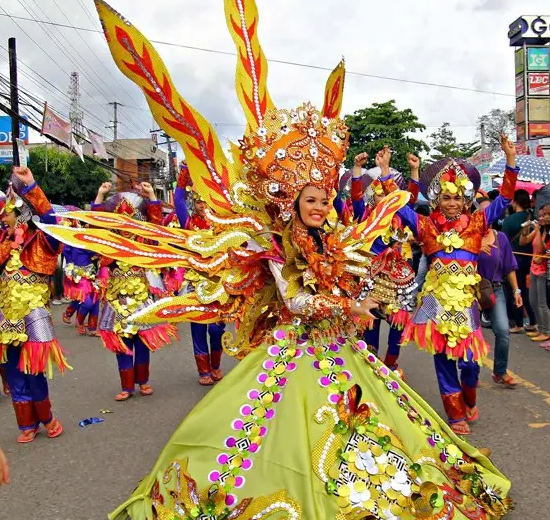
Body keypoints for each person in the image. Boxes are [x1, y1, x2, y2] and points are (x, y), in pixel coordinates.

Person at [47, 3, 512, 518]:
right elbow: (294, 298)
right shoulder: (273, 245)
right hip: (296, 350)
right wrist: (347, 306)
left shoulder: (332, 241)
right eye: (310, 200)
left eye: (323, 200)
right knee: (266, 443)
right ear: (292, 204)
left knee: (383, 428)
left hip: (340, 348)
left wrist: (371, 290)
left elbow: (352, 282)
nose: (319, 207)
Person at [397, 137, 519, 435]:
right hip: (433, 301)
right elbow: (399, 206)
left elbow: (503, 200)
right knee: (441, 357)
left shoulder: (478, 223)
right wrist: (408, 175)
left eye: (457, 199)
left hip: (466, 301)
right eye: (445, 198)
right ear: (437, 200)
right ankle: (454, 416)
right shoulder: (425, 226)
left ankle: (470, 396)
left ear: (465, 201)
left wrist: (510, 159)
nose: (451, 204)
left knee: (471, 362)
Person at [0, 166, 67, 443]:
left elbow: (49, 218)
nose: (3, 218)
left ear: (21, 213)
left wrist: (31, 186)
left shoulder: (41, 241)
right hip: (5, 316)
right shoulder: (0, 242)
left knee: (34, 370)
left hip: (34, 314)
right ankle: (26, 424)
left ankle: (46, 418)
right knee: (13, 371)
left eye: (7, 213)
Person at [91, 181, 179, 401]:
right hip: (116, 297)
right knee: (122, 341)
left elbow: (156, 224)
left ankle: (143, 382)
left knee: (141, 340)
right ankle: (126, 386)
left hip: (140, 295)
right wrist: (100, 195)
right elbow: (95, 226)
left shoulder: (143, 241)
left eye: (130, 218)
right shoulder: (110, 242)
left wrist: (151, 196)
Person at [348, 150, 419, 372]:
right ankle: (371, 365)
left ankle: (391, 363)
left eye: (387, 195)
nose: (383, 199)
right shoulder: (366, 216)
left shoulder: (400, 218)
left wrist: (415, 170)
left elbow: (411, 200)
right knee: (371, 321)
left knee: (398, 322)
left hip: (397, 276)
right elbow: (356, 197)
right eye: (378, 194)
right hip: (371, 274)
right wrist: (357, 169)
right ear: (373, 197)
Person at [174, 163, 225, 386]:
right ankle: (203, 371)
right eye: (197, 201)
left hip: (219, 283)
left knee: (216, 328)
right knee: (198, 327)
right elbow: (177, 200)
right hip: (195, 283)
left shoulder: (223, 225)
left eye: (205, 200)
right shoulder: (188, 223)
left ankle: (215, 365)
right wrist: (184, 174)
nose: (201, 205)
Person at [476, 198, 520, 387]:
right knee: (471, 333)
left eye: (491, 211)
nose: (487, 215)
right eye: (483, 211)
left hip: (496, 289)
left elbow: (509, 267)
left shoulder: (500, 238)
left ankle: (500, 372)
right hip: (470, 290)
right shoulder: (468, 237)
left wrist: (517, 290)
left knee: (503, 331)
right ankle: (470, 374)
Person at [502, 189, 537, 334]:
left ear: (514, 202)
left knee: (515, 291)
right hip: (531, 259)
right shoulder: (534, 217)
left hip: (513, 259)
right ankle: (533, 321)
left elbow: (503, 241)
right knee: (526, 291)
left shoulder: (509, 220)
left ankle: (518, 323)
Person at [519, 205, 550, 344]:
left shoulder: (547, 232)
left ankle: (546, 331)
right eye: (541, 215)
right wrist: (526, 228)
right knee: (532, 301)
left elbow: (544, 250)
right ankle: (540, 328)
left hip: (544, 271)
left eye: (546, 215)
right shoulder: (540, 229)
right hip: (533, 269)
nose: (542, 217)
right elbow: (523, 242)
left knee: (542, 303)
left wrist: (542, 257)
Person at [62, 243, 100, 335]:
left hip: (93, 273)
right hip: (79, 275)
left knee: (95, 299)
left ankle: (92, 328)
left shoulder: (91, 235)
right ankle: (79, 321)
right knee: (87, 302)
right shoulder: (77, 238)